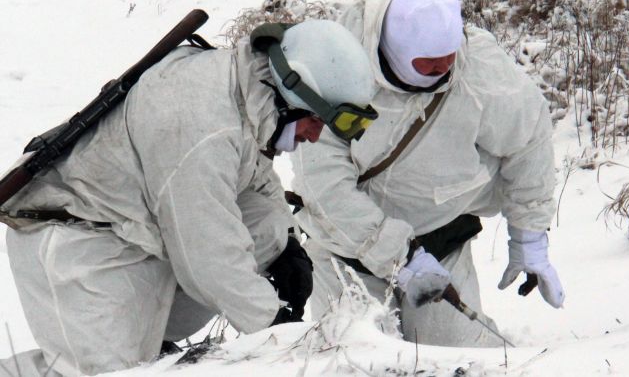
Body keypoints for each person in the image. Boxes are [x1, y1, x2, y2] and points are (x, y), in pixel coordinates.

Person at [0, 19, 378, 376]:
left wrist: (286, 248)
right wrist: (280, 333)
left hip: (135, 233)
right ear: (288, 95)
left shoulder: (242, 92)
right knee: (103, 373)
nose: (314, 136)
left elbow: (253, 182)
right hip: (77, 237)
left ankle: (144, 343)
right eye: (314, 121)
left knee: (262, 230)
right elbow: (209, 255)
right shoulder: (202, 126)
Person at [290, 0, 565, 348]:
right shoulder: (334, 68)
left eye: (448, 57)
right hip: (346, 248)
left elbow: (527, 139)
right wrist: (400, 257)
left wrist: (529, 236)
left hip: (441, 236)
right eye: (428, 63)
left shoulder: (477, 68)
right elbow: (323, 187)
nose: (443, 68)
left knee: (460, 356)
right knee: (356, 358)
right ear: (395, 50)